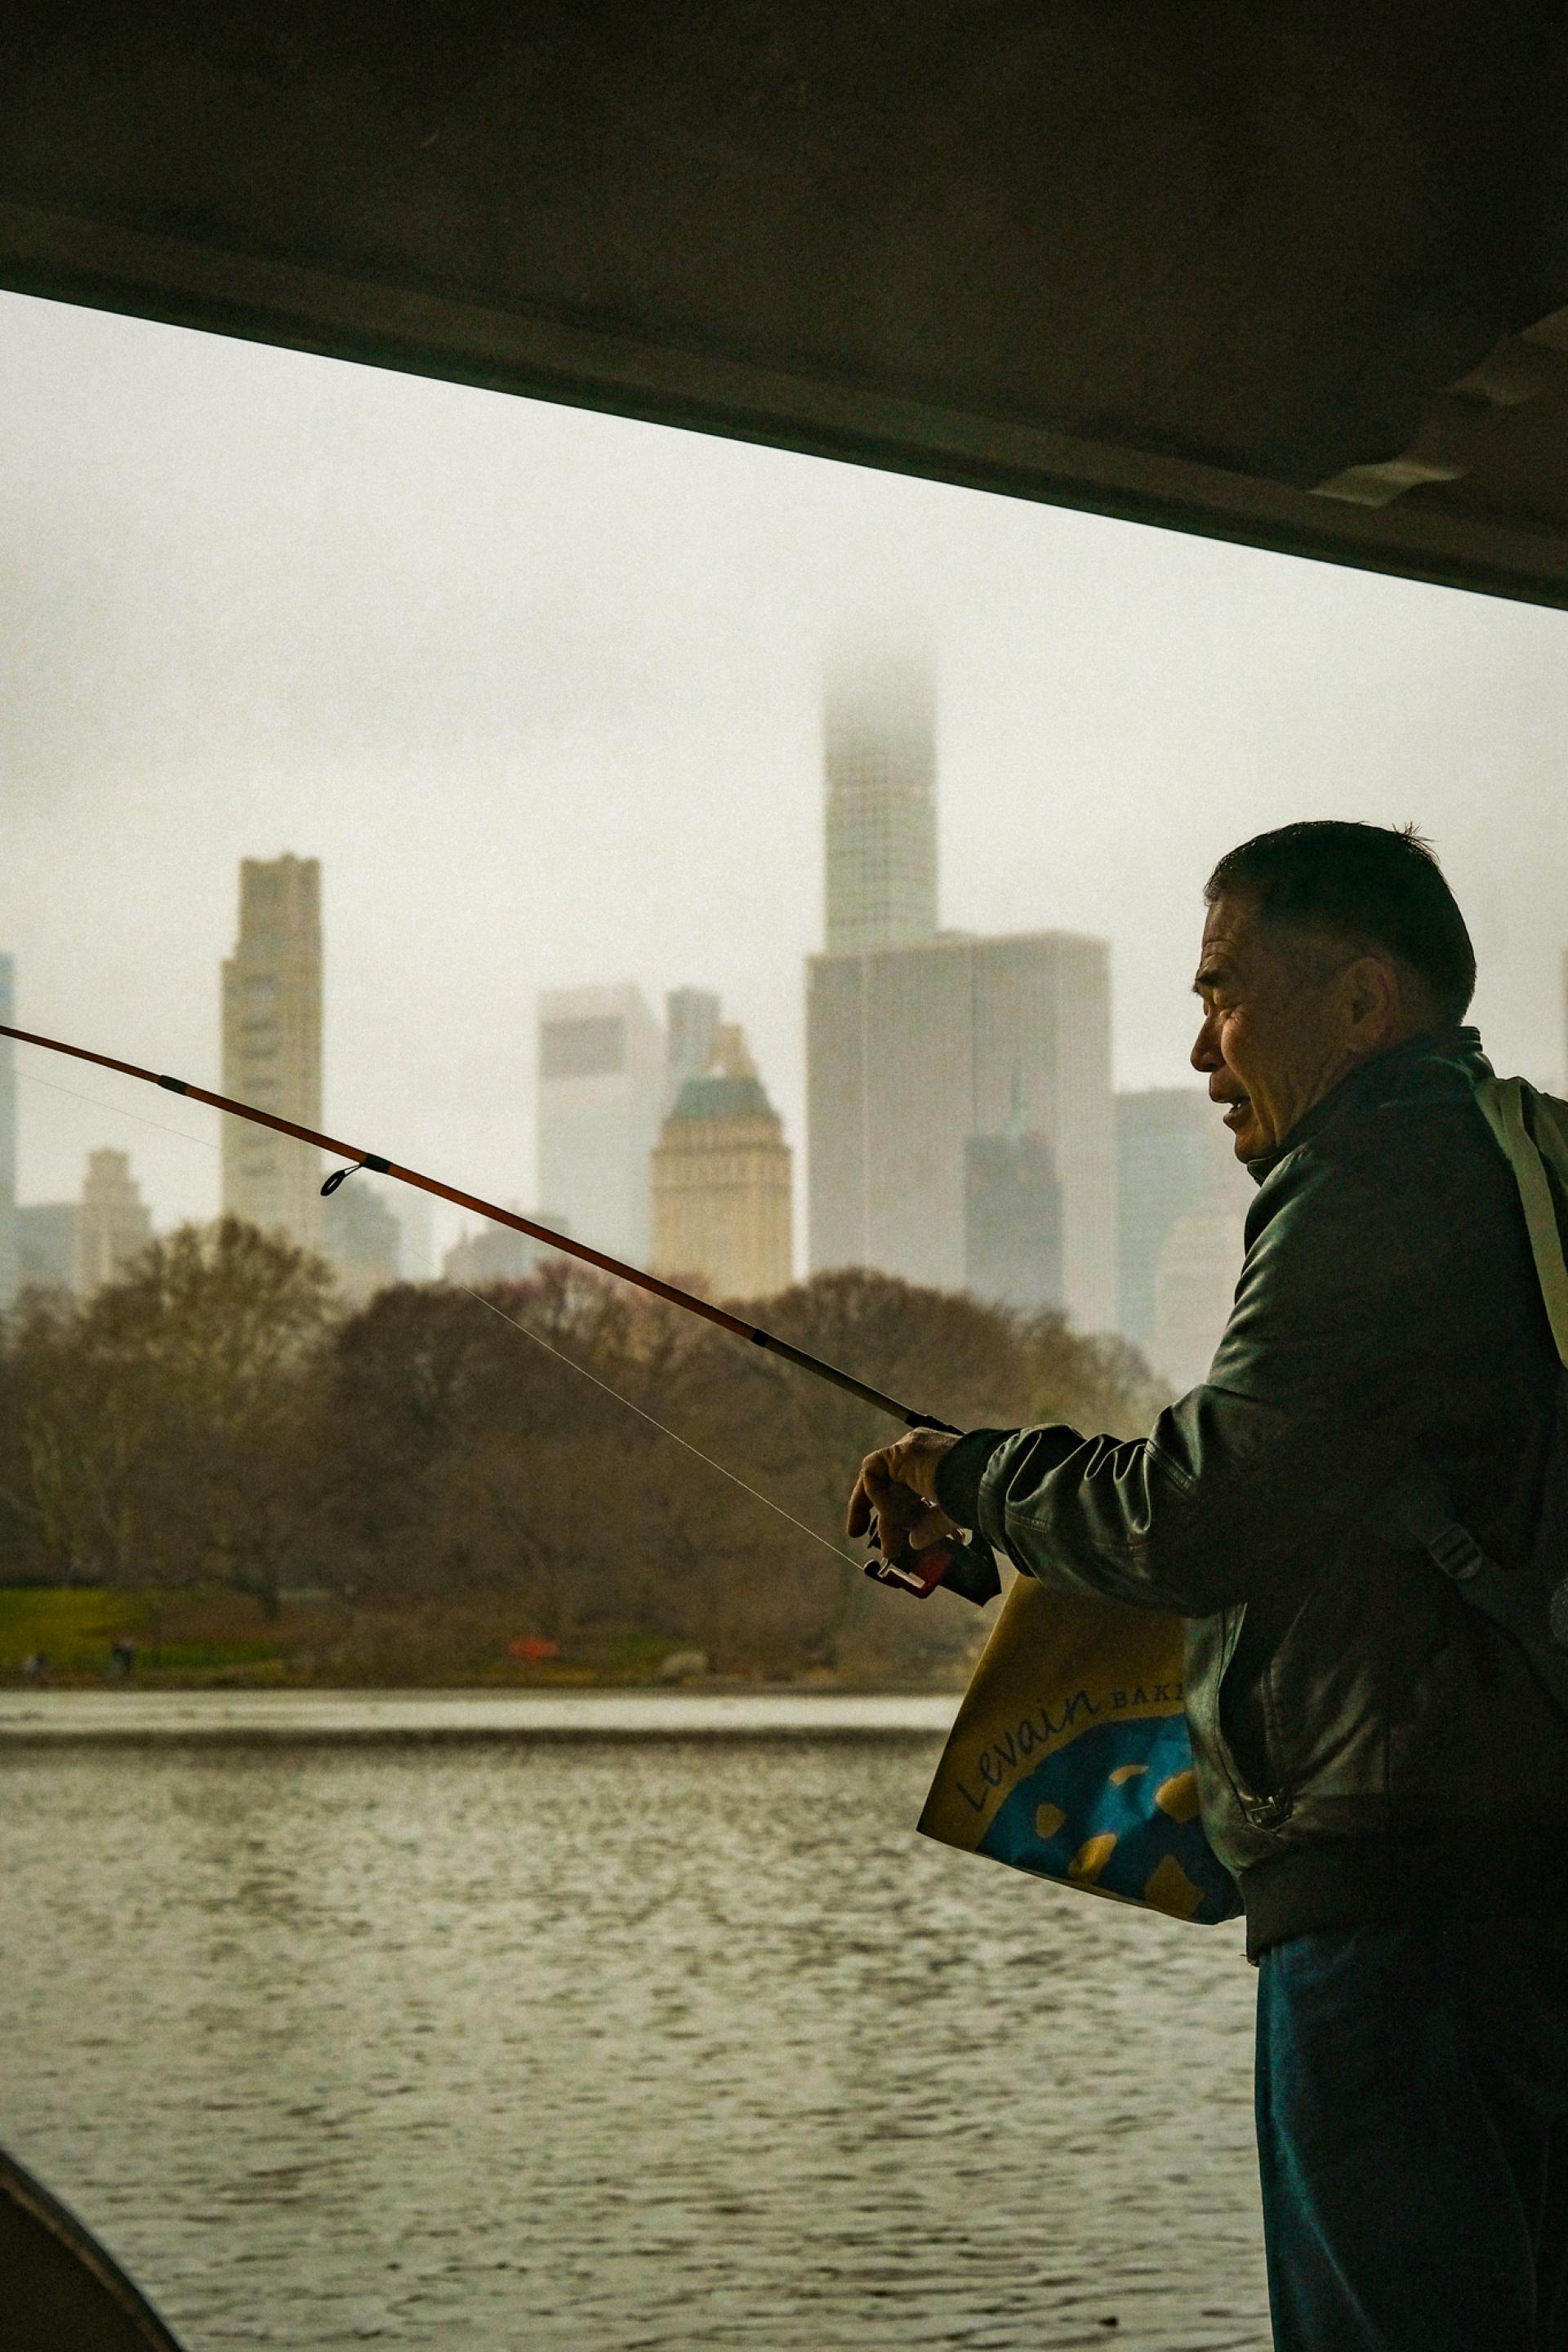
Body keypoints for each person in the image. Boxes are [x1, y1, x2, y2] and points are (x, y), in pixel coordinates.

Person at [848, 821, 1568, 2352]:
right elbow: (1346, 1517)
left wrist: (960, 1473)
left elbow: (1206, 1506)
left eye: (1226, 993)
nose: (1198, 1047)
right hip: (1512, 1882)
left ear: (1363, 1002)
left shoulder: (1376, 1172)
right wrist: (1016, 1546)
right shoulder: (1518, 1157)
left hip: (1395, 1905)